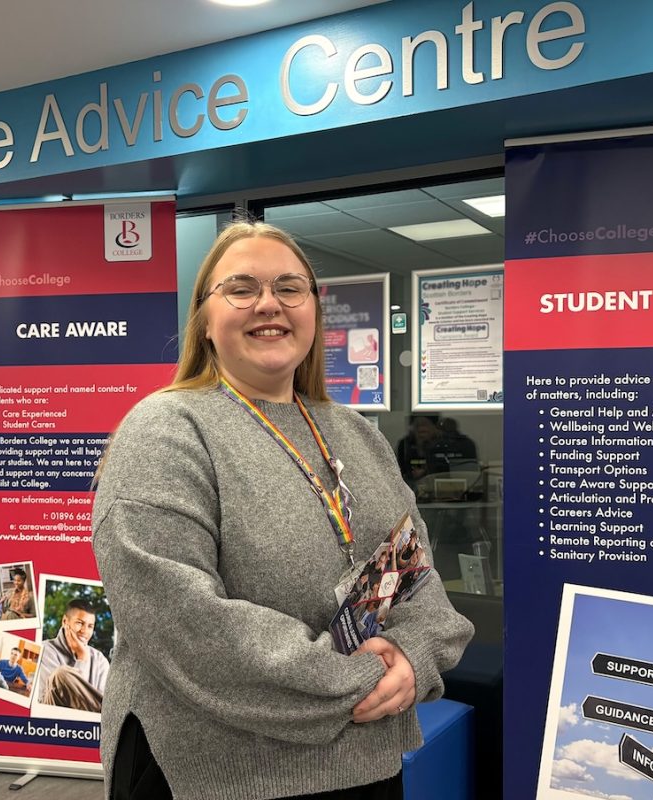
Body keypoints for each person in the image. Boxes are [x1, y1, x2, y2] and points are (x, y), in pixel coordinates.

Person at [93, 220, 473, 800]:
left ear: (314, 310)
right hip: (219, 775)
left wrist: (414, 658)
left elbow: (416, 581)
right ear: (204, 317)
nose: (268, 304)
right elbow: (181, 622)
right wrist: (361, 680)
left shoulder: (357, 435)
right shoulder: (166, 431)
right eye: (241, 288)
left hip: (366, 763)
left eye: (289, 288)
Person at [36, 599, 110, 712]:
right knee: (60, 675)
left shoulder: (100, 660)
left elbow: (104, 702)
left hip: (93, 725)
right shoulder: (44, 650)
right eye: (80, 623)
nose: (84, 631)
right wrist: (82, 659)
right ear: (65, 621)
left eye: (90, 626)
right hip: (54, 720)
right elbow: (45, 699)